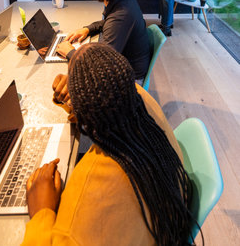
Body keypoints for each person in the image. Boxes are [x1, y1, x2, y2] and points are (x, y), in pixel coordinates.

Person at [22, 43, 197, 246]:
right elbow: (110, 111)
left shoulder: (82, 209)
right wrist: (83, 97)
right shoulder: (141, 100)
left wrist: (41, 212)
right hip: (170, 227)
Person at [56, 0, 150, 85]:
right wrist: (88, 29)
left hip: (130, 81)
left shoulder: (121, 16)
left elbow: (102, 67)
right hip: (129, 64)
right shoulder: (124, 0)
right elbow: (108, 21)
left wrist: (70, 53)